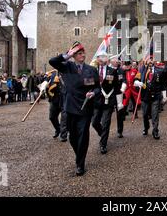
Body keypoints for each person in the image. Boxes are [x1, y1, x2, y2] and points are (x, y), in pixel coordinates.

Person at [49, 41, 100, 176]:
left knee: (83, 136)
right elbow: (52, 61)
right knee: (72, 138)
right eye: (78, 53)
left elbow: (97, 87)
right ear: (74, 55)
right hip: (70, 107)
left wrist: (93, 92)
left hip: (85, 107)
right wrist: (66, 55)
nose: (82, 55)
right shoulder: (67, 67)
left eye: (83, 52)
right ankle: (80, 155)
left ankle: (80, 164)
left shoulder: (91, 70)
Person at [91, 52, 123, 154]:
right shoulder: (93, 71)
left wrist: (119, 102)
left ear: (107, 59)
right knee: (95, 122)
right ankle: (102, 134)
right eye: (100, 57)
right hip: (96, 101)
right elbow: (89, 84)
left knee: (106, 122)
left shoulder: (112, 71)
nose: (102, 59)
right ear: (97, 59)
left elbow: (117, 88)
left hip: (108, 101)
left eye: (104, 57)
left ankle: (103, 144)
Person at [134, 57, 167, 140]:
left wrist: (164, 95)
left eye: (152, 60)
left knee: (155, 114)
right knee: (145, 114)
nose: (150, 61)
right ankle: (146, 127)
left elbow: (163, 84)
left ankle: (155, 131)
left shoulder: (160, 70)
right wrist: (138, 83)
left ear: (154, 61)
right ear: (146, 61)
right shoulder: (142, 70)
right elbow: (136, 80)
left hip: (156, 96)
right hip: (145, 96)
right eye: (149, 59)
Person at [44, 69, 68, 141]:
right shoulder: (52, 74)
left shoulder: (69, 73)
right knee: (52, 117)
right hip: (55, 99)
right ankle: (58, 129)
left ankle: (63, 135)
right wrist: (43, 87)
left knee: (64, 119)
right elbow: (45, 82)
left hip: (65, 99)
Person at [109, 55, 127, 139]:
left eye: (117, 60)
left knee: (120, 113)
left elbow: (124, 80)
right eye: (115, 59)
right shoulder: (108, 70)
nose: (117, 61)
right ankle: (105, 130)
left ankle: (120, 131)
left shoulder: (121, 70)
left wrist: (123, 86)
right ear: (111, 61)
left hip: (119, 94)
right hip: (109, 95)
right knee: (108, 113)